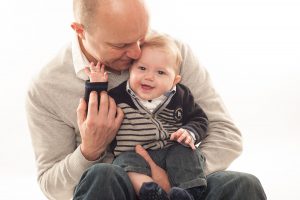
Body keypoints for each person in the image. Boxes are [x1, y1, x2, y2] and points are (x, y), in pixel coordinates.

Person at [25, 0, 267, 199]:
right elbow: (51, 185)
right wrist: (90, 150)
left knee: (243, 185)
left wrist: (174, 179)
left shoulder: (171, 53)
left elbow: (226, 134)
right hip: (117, 189)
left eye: (141, 37)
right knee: (102, 176)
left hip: (183, 187)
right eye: (121, 45)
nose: (137, 53)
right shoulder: (47, 87)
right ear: (80, 30)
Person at [83, 33, 208, 200]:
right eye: (142, 68)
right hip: (134, 153)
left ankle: (188, 194)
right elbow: (97, 110)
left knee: (187, 153)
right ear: (130, 70)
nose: (149, 77)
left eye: (161, 72)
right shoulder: (118, 96)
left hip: (171, 149)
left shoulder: (181, 96)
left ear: (175, 80)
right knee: (124, 163)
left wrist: (189, 132)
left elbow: (199, 119)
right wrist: (97, 85)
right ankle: (150, 191)